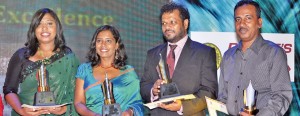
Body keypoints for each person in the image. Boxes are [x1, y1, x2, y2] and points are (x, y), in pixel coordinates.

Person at [140, 2, 218, 116]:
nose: (167, 27)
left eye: (172, 22)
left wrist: (182, 106)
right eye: (164, 23)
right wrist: (152, 90)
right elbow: (144, 85)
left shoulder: (205, 53)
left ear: (185, 23)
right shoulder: (152, 54)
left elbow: (209, 91)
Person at [218, 0, 293, 115]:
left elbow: (282, 96)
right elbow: (223, 96)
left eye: (248, 18)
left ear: (259, 22)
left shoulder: (274, 53)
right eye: (238, 19)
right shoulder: (228, 56)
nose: (242, 24)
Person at [3, 8, 80, 116]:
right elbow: (9, 90)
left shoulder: (67, 56)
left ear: (57, 28)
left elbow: (78, 91)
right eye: (39, 24)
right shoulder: (21, 55)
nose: (44, 28)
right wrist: (21, 111)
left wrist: (64, 109)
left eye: (49, 23)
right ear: (34, 29)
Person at [74, 25, 144, 116]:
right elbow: (78, 103)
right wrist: (94, 115)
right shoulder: (84, 70)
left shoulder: (128, 72)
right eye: (99, 41)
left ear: (116, 45)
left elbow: (137, 103)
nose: (103, 45)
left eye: (108, 41)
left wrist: (129, 112)